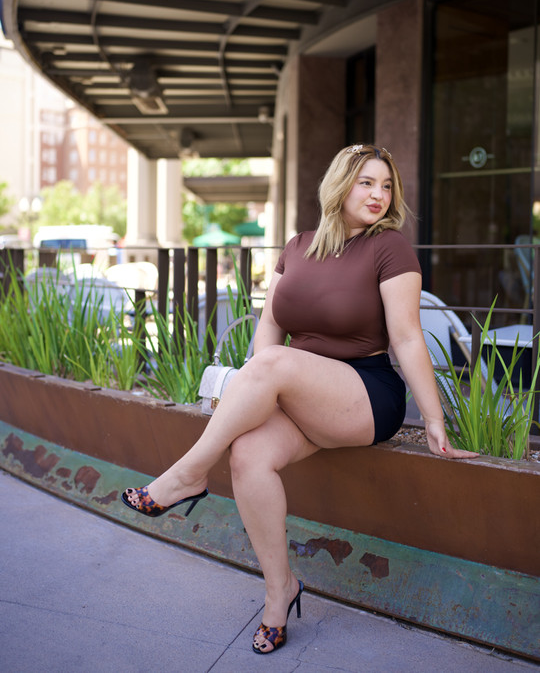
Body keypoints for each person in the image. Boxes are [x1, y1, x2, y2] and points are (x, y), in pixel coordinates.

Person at [122, 143, 477, 655]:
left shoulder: (390, 248)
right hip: (299, 393)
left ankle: (188, 474)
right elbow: (270, 324)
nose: (378, 195)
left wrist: (435, 420)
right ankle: (279, 592)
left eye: (386, 185)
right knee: (247, 455)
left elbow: (406, 336)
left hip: (364, 394)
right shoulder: (297, 247)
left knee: (272, 363)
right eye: (366, 182)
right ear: (339, 184)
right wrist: (254, 397)